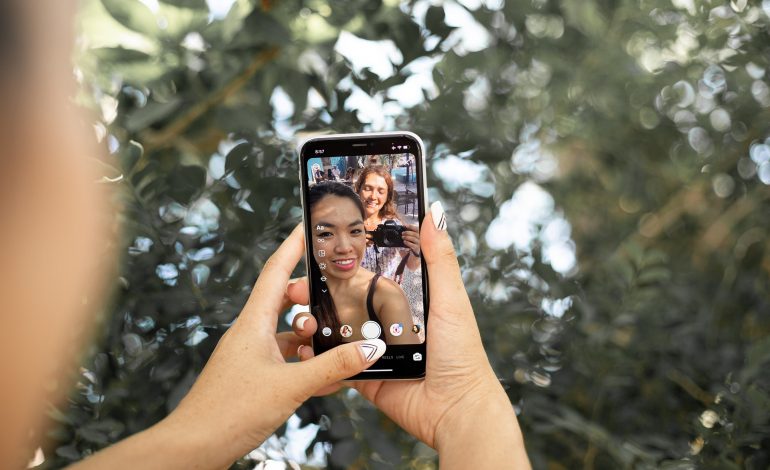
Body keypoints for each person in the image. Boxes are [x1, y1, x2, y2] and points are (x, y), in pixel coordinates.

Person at [1, 1, 531, 468]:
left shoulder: (394, 258)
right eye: (327, 231)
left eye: (354, 227)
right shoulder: (341, 277)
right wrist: (469, 412)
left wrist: (463, 407)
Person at [306, 182, 415, 347]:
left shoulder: (387, 294)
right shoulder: (296, 293)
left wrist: (418, 251)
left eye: (355, 231)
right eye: (326, 233)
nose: (345, 247)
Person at [354, 165, 421, 278]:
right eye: (368, 188)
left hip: (387, 288)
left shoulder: (394, 226)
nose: (373, 196)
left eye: (381, 191)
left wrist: (417, 251)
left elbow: (411, 266)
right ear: (358, 189)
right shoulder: (347, 225)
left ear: (387, 197)